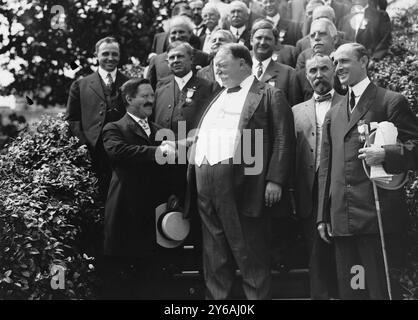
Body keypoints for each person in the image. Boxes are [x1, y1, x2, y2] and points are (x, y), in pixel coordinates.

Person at [185, 43, 294, 299]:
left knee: (248, 251)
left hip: (243, 182)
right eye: (215, 67)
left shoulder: (268, 94)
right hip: (204, 180)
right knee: (214, 253)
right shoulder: (218, 96)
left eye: (223, 65)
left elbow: (282, 138)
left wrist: (275, 180)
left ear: (243, 63)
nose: (218, 71)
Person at [317, 43, 418, 299]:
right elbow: (326, 167)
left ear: (363, 61)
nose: (338, 68)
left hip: (377, 217)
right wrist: (323, 215)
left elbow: (414, 146)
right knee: (352, 290)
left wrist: (387, 154)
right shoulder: (334, 112)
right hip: (342, 217)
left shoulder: (390, 101)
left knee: (379, 290)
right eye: (335, 63)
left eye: (344, 61)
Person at [101, 78, 176, 299]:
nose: (150, 100)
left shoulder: (161, 131)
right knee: (124, 279)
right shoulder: (113, 128)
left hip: (155, 212)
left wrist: (175, 193)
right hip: (126, 209)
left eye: (152, 96)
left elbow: (172, 168)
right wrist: (158, 152)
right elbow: (120, 152)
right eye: (145, 96)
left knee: (152, 277)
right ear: (129, 99)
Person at [292, 54, 342, 299]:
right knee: (315, 254)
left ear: (333, 71)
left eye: (324, 69)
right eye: (313, 71)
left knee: (344, 251)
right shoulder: (295, 112)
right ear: (306, 75)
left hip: (341, 187)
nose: (319, 75)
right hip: (309, 189)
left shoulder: (349, 103)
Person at [66, 37, 129, 198]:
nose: (110, 58)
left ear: (120, 55)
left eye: (114, 54)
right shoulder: (80, 85)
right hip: (93, 152)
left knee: (120, 197)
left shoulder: (130, 84)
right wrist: (84, 146)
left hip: (122, 150)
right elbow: (73, 119)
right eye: (105, 53)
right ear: (96, 55)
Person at [147, 16, 210, 89]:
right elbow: (150, 88)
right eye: (173, 33)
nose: (177, 36)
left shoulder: (203, 58)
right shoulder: (156, 60)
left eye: (181, 32)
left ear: (190, 34)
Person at [250, 19, 300, 106]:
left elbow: (294, 108)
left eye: (268, 39)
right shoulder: (240, 69)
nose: (262, 42)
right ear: (251, 40)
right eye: (259, 38)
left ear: (276, 43)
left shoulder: (289, 74)